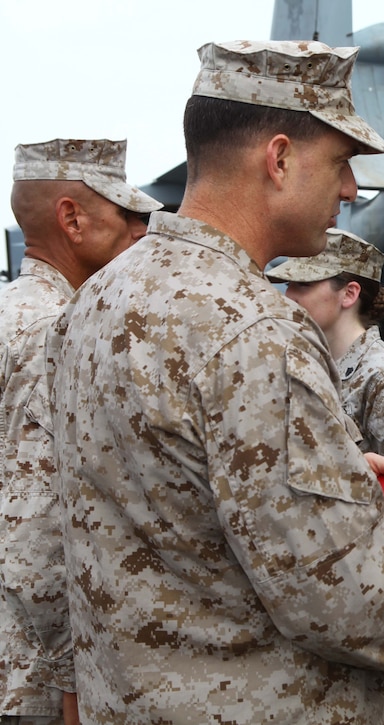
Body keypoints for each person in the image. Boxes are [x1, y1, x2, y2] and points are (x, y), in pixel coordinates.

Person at [47, 40, 384, 722]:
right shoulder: (256, 329)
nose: (351, 190)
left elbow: (161, 491)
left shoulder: (95, 300)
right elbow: (338, 598)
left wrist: (333, 472)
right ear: (278, 159)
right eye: (340, 163)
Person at [0, 138, 161, 724]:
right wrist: (70, 680)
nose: (142, 233)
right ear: (72, 218)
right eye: (128, 216)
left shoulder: (9, 311)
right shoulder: (58, 332)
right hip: (29, 675)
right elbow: (39, 525)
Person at [267, 228, 384, 457]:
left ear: (349, 294)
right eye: (289, 284)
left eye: (304, 284)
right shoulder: (306, 364)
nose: (289, 296)